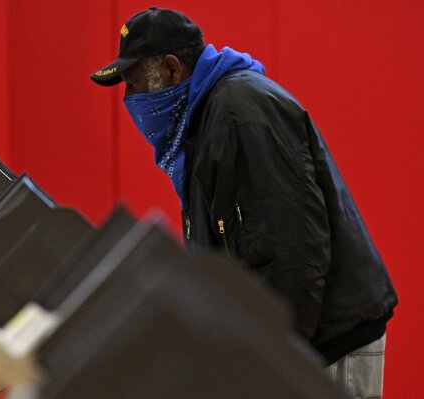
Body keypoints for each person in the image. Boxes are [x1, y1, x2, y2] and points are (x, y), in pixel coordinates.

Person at [90, 7, 398, 399]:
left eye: (134, 83)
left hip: (326, 346)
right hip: (305, 339)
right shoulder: (204, 121)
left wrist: (271, 368)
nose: (130, 100)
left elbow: (292, 253)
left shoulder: (239, 113)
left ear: (171, 69)